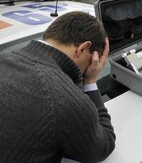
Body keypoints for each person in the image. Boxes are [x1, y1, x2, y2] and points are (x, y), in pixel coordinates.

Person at [0, 11, 115, 163]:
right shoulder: (64, 99)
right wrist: (90, 80)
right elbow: (103, 146)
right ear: (83, 49)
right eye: (94, 59)